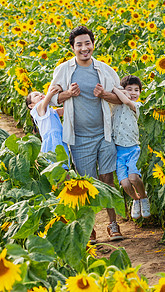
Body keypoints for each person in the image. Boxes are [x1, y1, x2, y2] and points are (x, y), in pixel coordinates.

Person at [47, 26, 124, 242]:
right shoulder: (63, 70)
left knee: (107, 180)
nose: (84, 48)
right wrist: (68, 94)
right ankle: (89, 228)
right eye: (79, 44)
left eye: (87, 43)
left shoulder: (105, 70)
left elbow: (122, 98)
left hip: (104, 134)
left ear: (93, 44)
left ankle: (113, 224)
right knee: (86, 185)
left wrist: (105, 94)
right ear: (72, 48)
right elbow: (52, 98)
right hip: (79, 138)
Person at [111, 75, 150, 219]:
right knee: (125, 183)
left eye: (137, 90)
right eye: (130, 89)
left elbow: (127, 101)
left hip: (133, 148)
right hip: (118, 150)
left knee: (134, 178)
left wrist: (116, 88)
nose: (134, 93)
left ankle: (144, 197)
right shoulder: (115, 106)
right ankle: (136, 199)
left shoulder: (137, 105)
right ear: (124, 90)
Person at [25, 86, 69, 162]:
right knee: (57, 167)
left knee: (64, 166)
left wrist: (65, 96)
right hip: (51, 142)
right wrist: (52, 91)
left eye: (41, 93)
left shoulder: (51, 111)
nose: (40, 95)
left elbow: (64, 110)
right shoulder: (38, 109)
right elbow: (44, 102)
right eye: (36, 95)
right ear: (31, 106)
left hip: (60, 139)